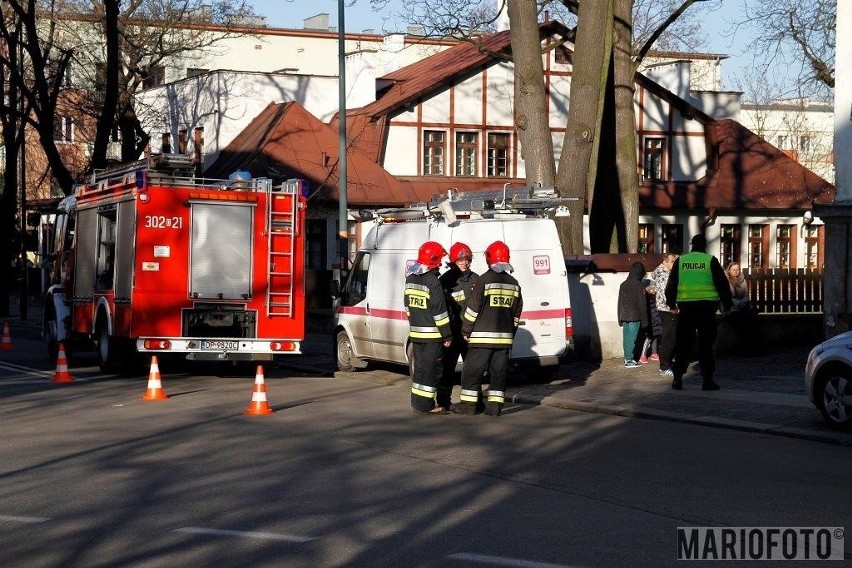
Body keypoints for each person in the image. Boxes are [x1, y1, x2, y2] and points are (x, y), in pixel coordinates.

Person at [451, 240, 523, 417]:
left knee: (472, 372)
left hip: (481, 338)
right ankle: (495, 408)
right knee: (499, 373)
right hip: (504, 339)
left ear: (488, 259)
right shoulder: (514, 283)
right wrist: (510, 335)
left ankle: (468, 407)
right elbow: (516, 314)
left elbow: (473, 309)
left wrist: (466, 331)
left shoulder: (483, 280)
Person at [665, 234, 732, 391]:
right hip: (707, 308)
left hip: (686, 308)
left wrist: (671, 303)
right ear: (705, 246)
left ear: (692, 245)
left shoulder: (681, 261)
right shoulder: (710, 261)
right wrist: (726, 304)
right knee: (706, 345)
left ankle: (677, 379)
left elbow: (672, 283)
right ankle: (707, 381)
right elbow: (722, 284)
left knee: (683, 344)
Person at [404, 241, 453, 414]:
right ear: (433, 260)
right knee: (432, 370)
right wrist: (447, 336)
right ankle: (427, 405)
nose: (440, 263)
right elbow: (440, 312)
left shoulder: (410, 279)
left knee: (420, 369)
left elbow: (408, 308)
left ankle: (418, 403)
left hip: (416, 334)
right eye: (439, 260)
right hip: (433, 336)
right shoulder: (433, 282)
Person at [438, 242, 479, 410]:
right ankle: (443, 402)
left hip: (470, 333)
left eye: (467, 259)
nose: (464, 262)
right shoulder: (445, 281)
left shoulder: (477, 280)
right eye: (460, 259)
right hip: (453, 332)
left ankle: (472, 402)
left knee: (472, 370)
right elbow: (440, 308)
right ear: (453, 261)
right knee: (447, 369)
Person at [651, 253, 679, 377]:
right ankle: (664, 366)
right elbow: (664, 293)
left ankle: (668, 363)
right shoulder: (663, 274)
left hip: (668, 309)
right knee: (669, 339)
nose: (675, 264)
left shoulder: (663, 272)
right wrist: (672, 307)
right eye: (673, 261)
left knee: (672, 338)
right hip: (668, 310)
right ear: (665, 262)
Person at [617, 261, 649, 368]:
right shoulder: (639, 286)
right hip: (635, 315)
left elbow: (620, 302)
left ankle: (627, 358)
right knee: (632, 338)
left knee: (626, 338)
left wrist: (619, 318)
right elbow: (642, 304)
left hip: (624, 315)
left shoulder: (623, 284)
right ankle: (629, 360)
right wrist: (645, 321)